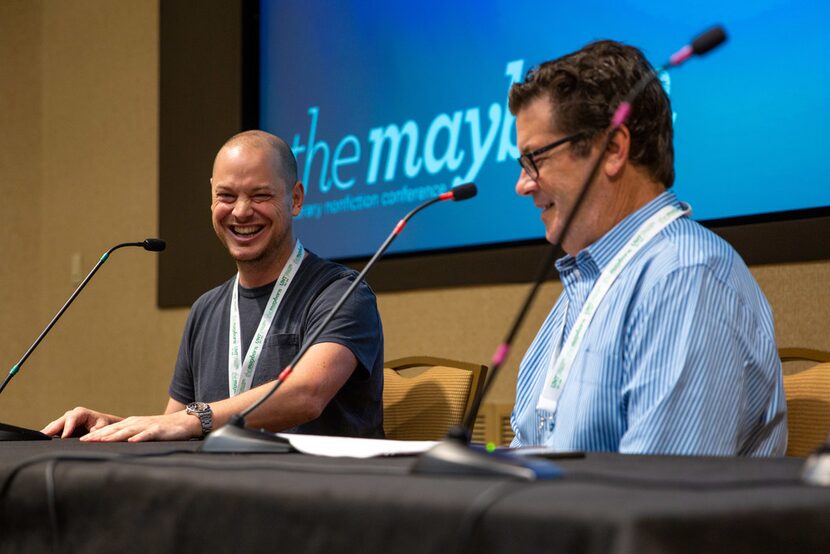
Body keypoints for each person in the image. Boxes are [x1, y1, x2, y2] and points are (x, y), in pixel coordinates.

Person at [508, 40, 786, 455]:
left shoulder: (685, 277)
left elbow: (657, 501)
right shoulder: (585, 283)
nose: (522, 184)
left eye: (536, 159)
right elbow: (524, 453)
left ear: (613, 149)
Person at [43, 131, 384, 441]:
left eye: (260, 195)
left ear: (295, 199)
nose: (241, 211)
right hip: (229, 495)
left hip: (321, 498)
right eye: (226, 195)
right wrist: (116, 426)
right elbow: (177, 425)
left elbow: (306, 394)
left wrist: (196, 418)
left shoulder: (341, 293)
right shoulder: (205, 309)